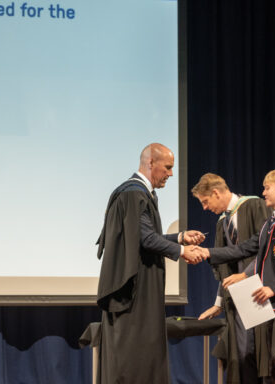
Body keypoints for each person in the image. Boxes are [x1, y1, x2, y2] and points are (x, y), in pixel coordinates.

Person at [95, 143, 205, 384]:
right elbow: (145, 239)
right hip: (134, 293)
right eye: (168, 167)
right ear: (150, 162)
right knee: (134, 357)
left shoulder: (140, 194)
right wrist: (182, 251)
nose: (171, 174)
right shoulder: (133, 194)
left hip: (140, 288)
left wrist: (179, 237)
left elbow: (143, 236)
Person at [198, 167, 275, 383]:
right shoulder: (270, 223)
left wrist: (273, 288)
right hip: (272, 303)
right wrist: (207, 253)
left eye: (267, 188)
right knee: (272, 364)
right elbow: (244, 249)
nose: (263, 193)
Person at [191, 173, 271, 383]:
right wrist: (218, 303)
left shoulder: (254, 206)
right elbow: (224, 267)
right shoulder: (222, 222)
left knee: (255, 353)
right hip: (237, 297)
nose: (205, 208)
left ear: (216, 193)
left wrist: (246, 275)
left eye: (205, 201)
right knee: (240, 356)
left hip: (260, 291)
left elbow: (267, 249)